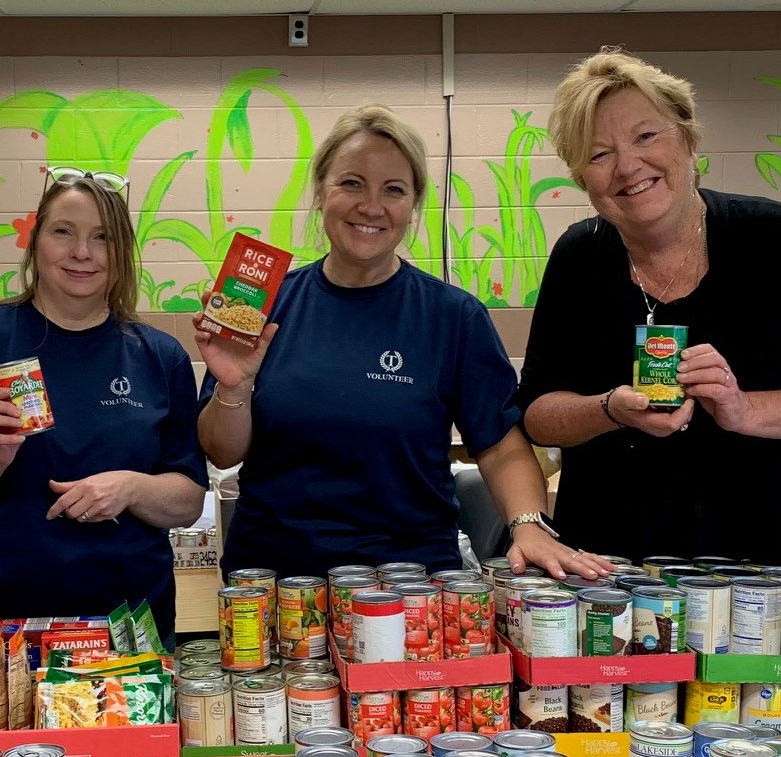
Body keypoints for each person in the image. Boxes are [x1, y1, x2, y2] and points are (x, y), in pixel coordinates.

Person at [198, 104, 610, 581]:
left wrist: (529, 526)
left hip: (409, 586)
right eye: (351, 183)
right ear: (320, 192)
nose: (371, 206)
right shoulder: (264, 307)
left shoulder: (452, 317)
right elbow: (222, 453)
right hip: (276, 585)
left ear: (412, 207)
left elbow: (500, 447)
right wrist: (233, 387)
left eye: (393, 190)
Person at [515, 49, 781, 564]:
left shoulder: (772, 237)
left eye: (646, 136)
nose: (627, 166)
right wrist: (609, 410)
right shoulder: (579, 257)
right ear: (583, 180)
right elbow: (537, 415)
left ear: (688, 141)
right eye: (599, 155)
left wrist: (745, 408)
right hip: (617, 565)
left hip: (774, 559)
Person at [0, 169, 206, 641]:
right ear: (35, 242)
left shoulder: (159, 357)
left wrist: (130, 487)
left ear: (121, 253)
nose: (81, 253)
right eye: (63, 231)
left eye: (101, 237)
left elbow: (188, 499)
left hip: (125, 623)